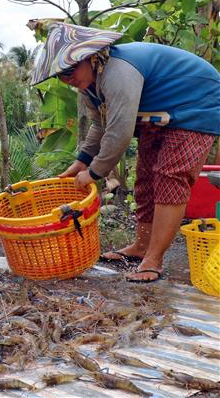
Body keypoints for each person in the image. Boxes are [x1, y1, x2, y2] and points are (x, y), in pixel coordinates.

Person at [31, 22, 220, 283]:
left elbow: (119, 131)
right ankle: (141, 247)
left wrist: (95, 172)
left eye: (71, 69)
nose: (69, 78)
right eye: (61, 75)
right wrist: (82, 161)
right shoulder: (89, 85)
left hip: (196, 103)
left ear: (89, 56)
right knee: (145, 181)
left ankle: (153, 259)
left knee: (170, 178)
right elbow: (100, 124)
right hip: (160, 115)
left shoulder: (117, 72)